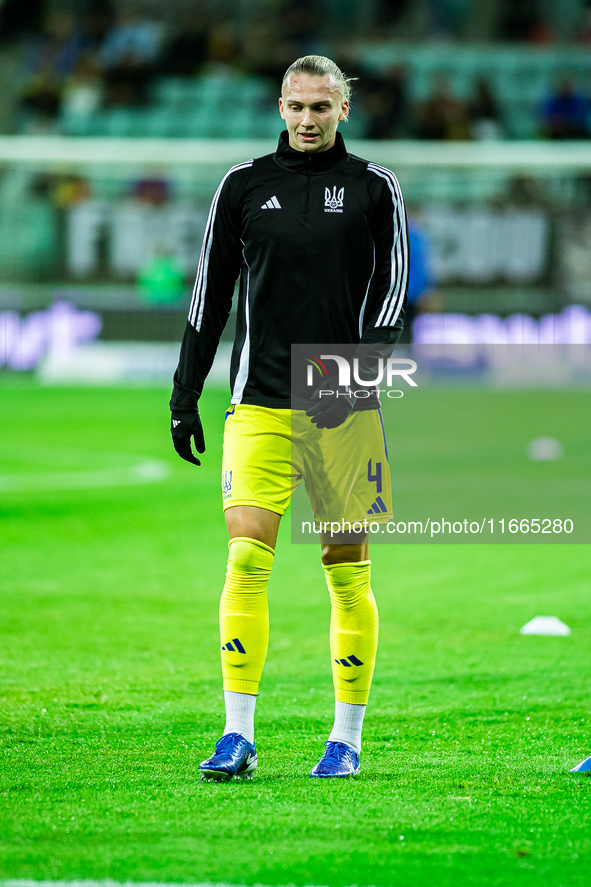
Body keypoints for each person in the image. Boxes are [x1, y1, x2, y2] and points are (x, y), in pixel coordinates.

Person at [170, 55, 408, 781]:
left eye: (321, 107)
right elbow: (209, 295)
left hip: (342, 412)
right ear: (279, 106)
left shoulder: (374, 187)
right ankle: (236, 734)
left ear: (344, 110)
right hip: (261, 404)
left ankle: (346, 738)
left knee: (346, 572)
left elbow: (394, 296)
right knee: (245, 556)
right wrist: (185, 393)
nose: (307, 120)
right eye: (297, 107)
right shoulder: (242, 185)